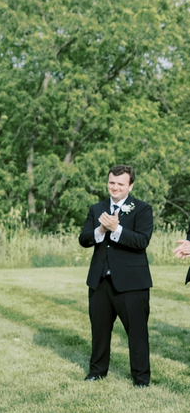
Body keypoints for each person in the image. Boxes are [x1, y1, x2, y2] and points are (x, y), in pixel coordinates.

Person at [78, 165, 153, 387]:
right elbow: (84, 239)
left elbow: (142, 241)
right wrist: (100, 231)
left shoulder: (142, 209)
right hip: (100, 281)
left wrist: (117, 229)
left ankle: (141, 378)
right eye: (112, 182)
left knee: (137, 333)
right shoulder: (96, 208)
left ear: (130, 185)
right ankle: (97, 371)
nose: (115, 187)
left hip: (132, 283)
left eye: (120, 184)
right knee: (99, 330)